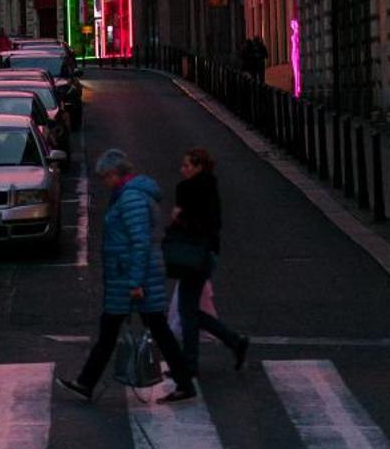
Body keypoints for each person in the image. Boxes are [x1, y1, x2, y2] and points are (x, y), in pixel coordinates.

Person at [57, 149, 196, 404]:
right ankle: (86, 382)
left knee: (119, 331)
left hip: (131, 279)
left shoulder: (130, 198)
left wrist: (135, 282)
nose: (103, 182)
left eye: (104, 177)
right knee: (142, 331)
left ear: (113, 174)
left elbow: (139, 241)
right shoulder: (128, 195)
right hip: (130, 276)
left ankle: (86, 383)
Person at [166, 148, 250, 375]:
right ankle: (233, 341)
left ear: (198, 167)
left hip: (192, 255)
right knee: (190, 310)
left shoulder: (187, 189)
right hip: (207, 253)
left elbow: (193, 223)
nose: (182, 169)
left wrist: (178, 219)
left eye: (187, 165)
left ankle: (190, 363)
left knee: (187, 311)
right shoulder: (210, 186)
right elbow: (214, 223)